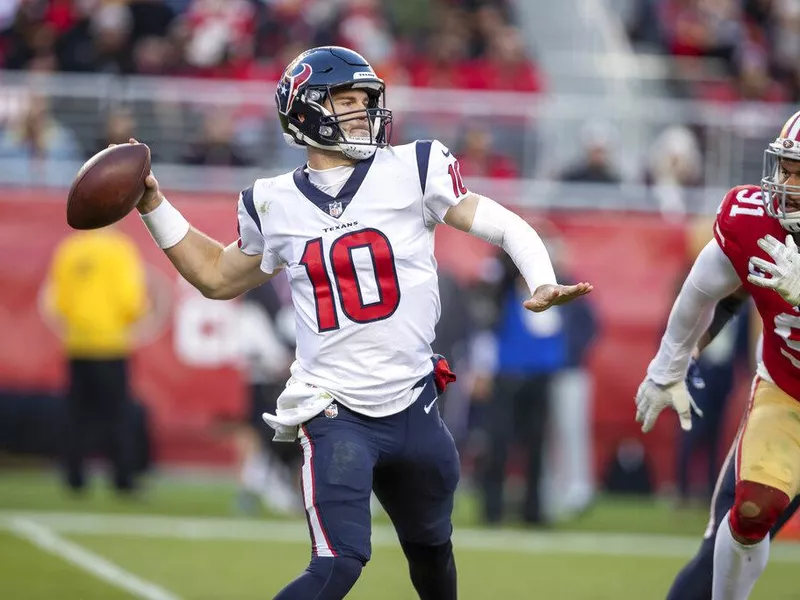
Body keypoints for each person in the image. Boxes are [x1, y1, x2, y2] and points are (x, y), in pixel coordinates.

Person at [130, 46, 592, 600]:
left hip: (416, 404)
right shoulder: (271, 201)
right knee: (338, 562)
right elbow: (216, 276)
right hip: (335, 410)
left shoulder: (414, 168)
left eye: (365, 101)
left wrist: (539, 278)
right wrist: (152, 205)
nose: (361, 113)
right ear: (304, 111)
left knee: (432, 552)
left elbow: (504, 225)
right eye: (345, 101)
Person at [635, 108, 800, 600]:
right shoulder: (756, 222)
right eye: (786, 167)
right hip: (790, 396)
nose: (785, 183)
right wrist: (667, 366)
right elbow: (701, 288)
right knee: (748, 512)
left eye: (799, 173)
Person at [666, 291, 800, 599]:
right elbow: (718, 281)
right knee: (739, 526)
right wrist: (673, 358)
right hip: (784, 408)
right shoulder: (765, 247)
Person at [45, 226, 148, 494]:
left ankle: (74, 477)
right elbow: (132, 299)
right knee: (117, 415)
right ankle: (122, 478)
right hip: (111, 344)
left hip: (77, 344)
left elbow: (58, 301)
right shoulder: (119, 249)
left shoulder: (69, 249)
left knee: (77, 414)